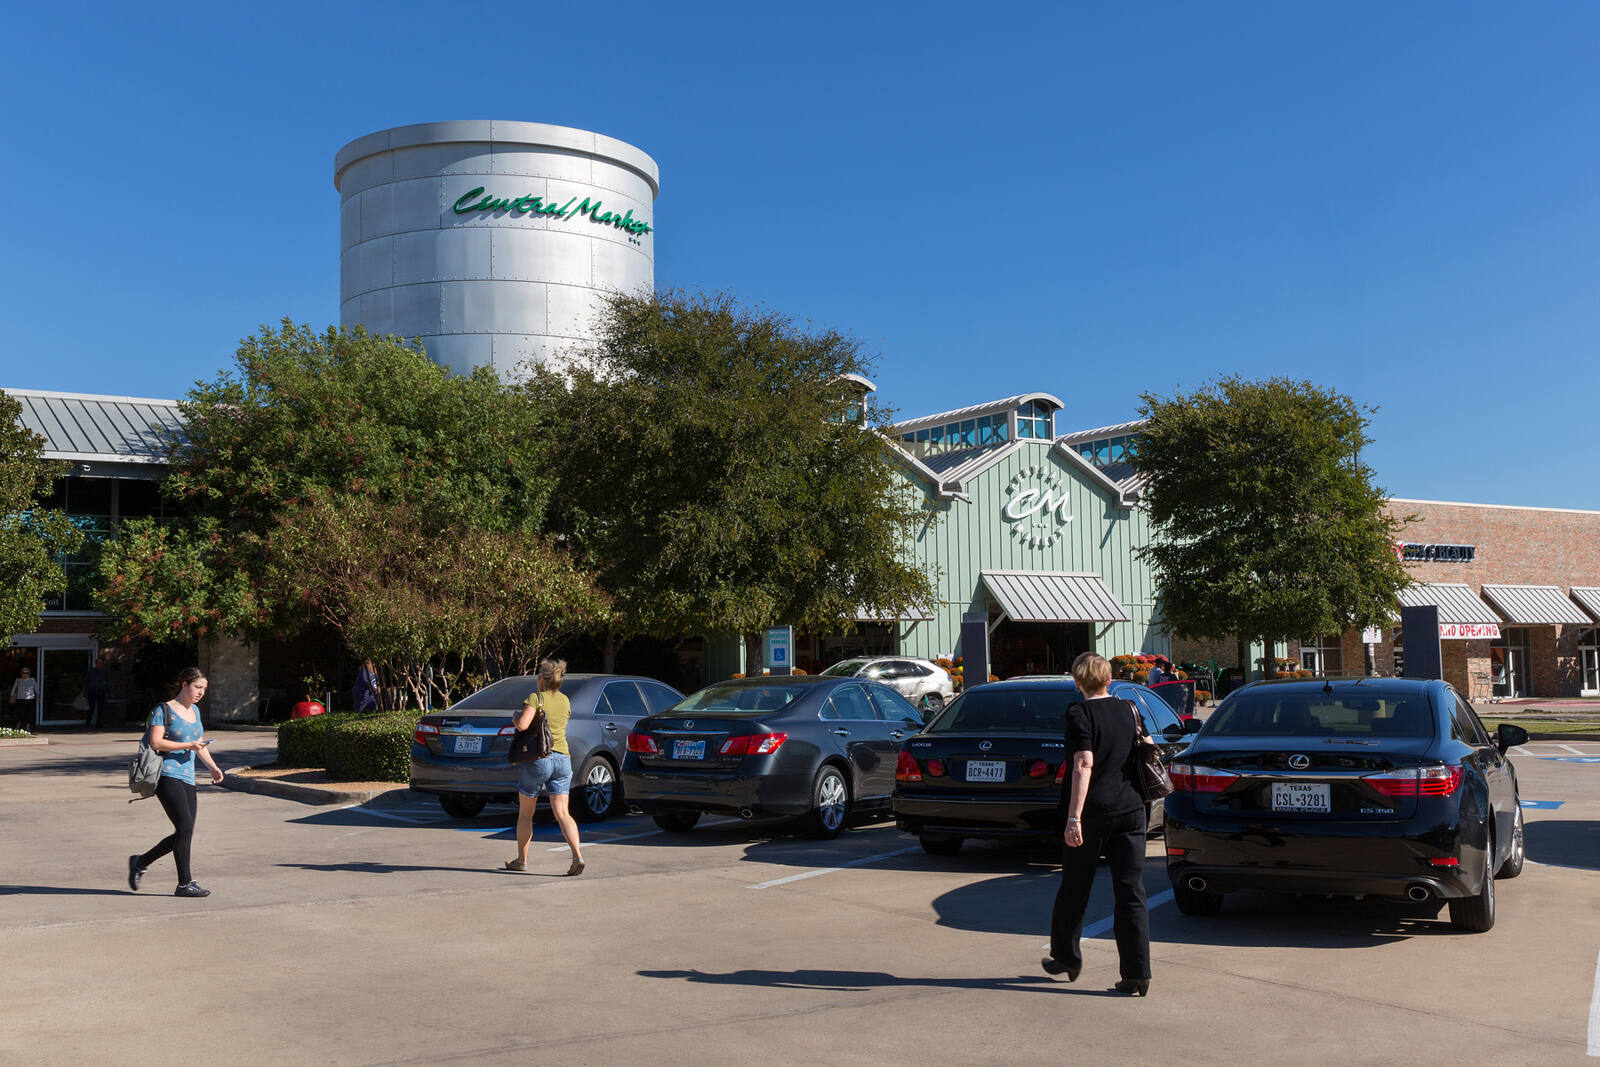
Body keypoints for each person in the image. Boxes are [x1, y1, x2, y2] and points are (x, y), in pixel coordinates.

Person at [1042, 651, 1152, 996]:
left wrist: (1074, 817)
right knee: (1131, 891)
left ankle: (1066, 957)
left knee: (1075, 887)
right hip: (1132, 809)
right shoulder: (1128, 708)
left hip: (1093, 813)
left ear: (1077, 682)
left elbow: (1083, 764)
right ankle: (1137, 975)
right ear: (1108, 680)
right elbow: (1148, 747)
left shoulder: (1079, 712)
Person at [129, 667, 224, 898]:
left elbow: (198, 743)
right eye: (197, 687)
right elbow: (156, 742)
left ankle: (141, 861)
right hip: (166, 775)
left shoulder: (196, 712)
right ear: (184, 684)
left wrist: (212, 766)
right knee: (184, 827)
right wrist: (187, 746)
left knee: (185, 831)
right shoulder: (164, 710)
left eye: (204, 689)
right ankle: (184, 883)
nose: (201, 692)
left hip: (188, 777)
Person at [503, 658, 584, 877]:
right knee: (563, 813)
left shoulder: (535, 698)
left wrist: (516, 717)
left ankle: (522, 860)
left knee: (526, 813)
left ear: (541, 679)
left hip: (539, 759)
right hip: (563, 759)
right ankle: (578, 856)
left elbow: (523, 725)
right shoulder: (566, 700)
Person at [84, 654, 110, 727]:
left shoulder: (104, 672)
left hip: (101, 691)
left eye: (101, 663)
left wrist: (108, 692)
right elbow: (86, 681)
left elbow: (107, 682)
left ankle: (99, 722)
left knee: (100, 707)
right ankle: (88, 721)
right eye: (98, 663)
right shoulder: (91, 671)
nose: (100, 664)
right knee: (91, 707)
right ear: (96, 663)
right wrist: (85, 691)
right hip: (92, 691)